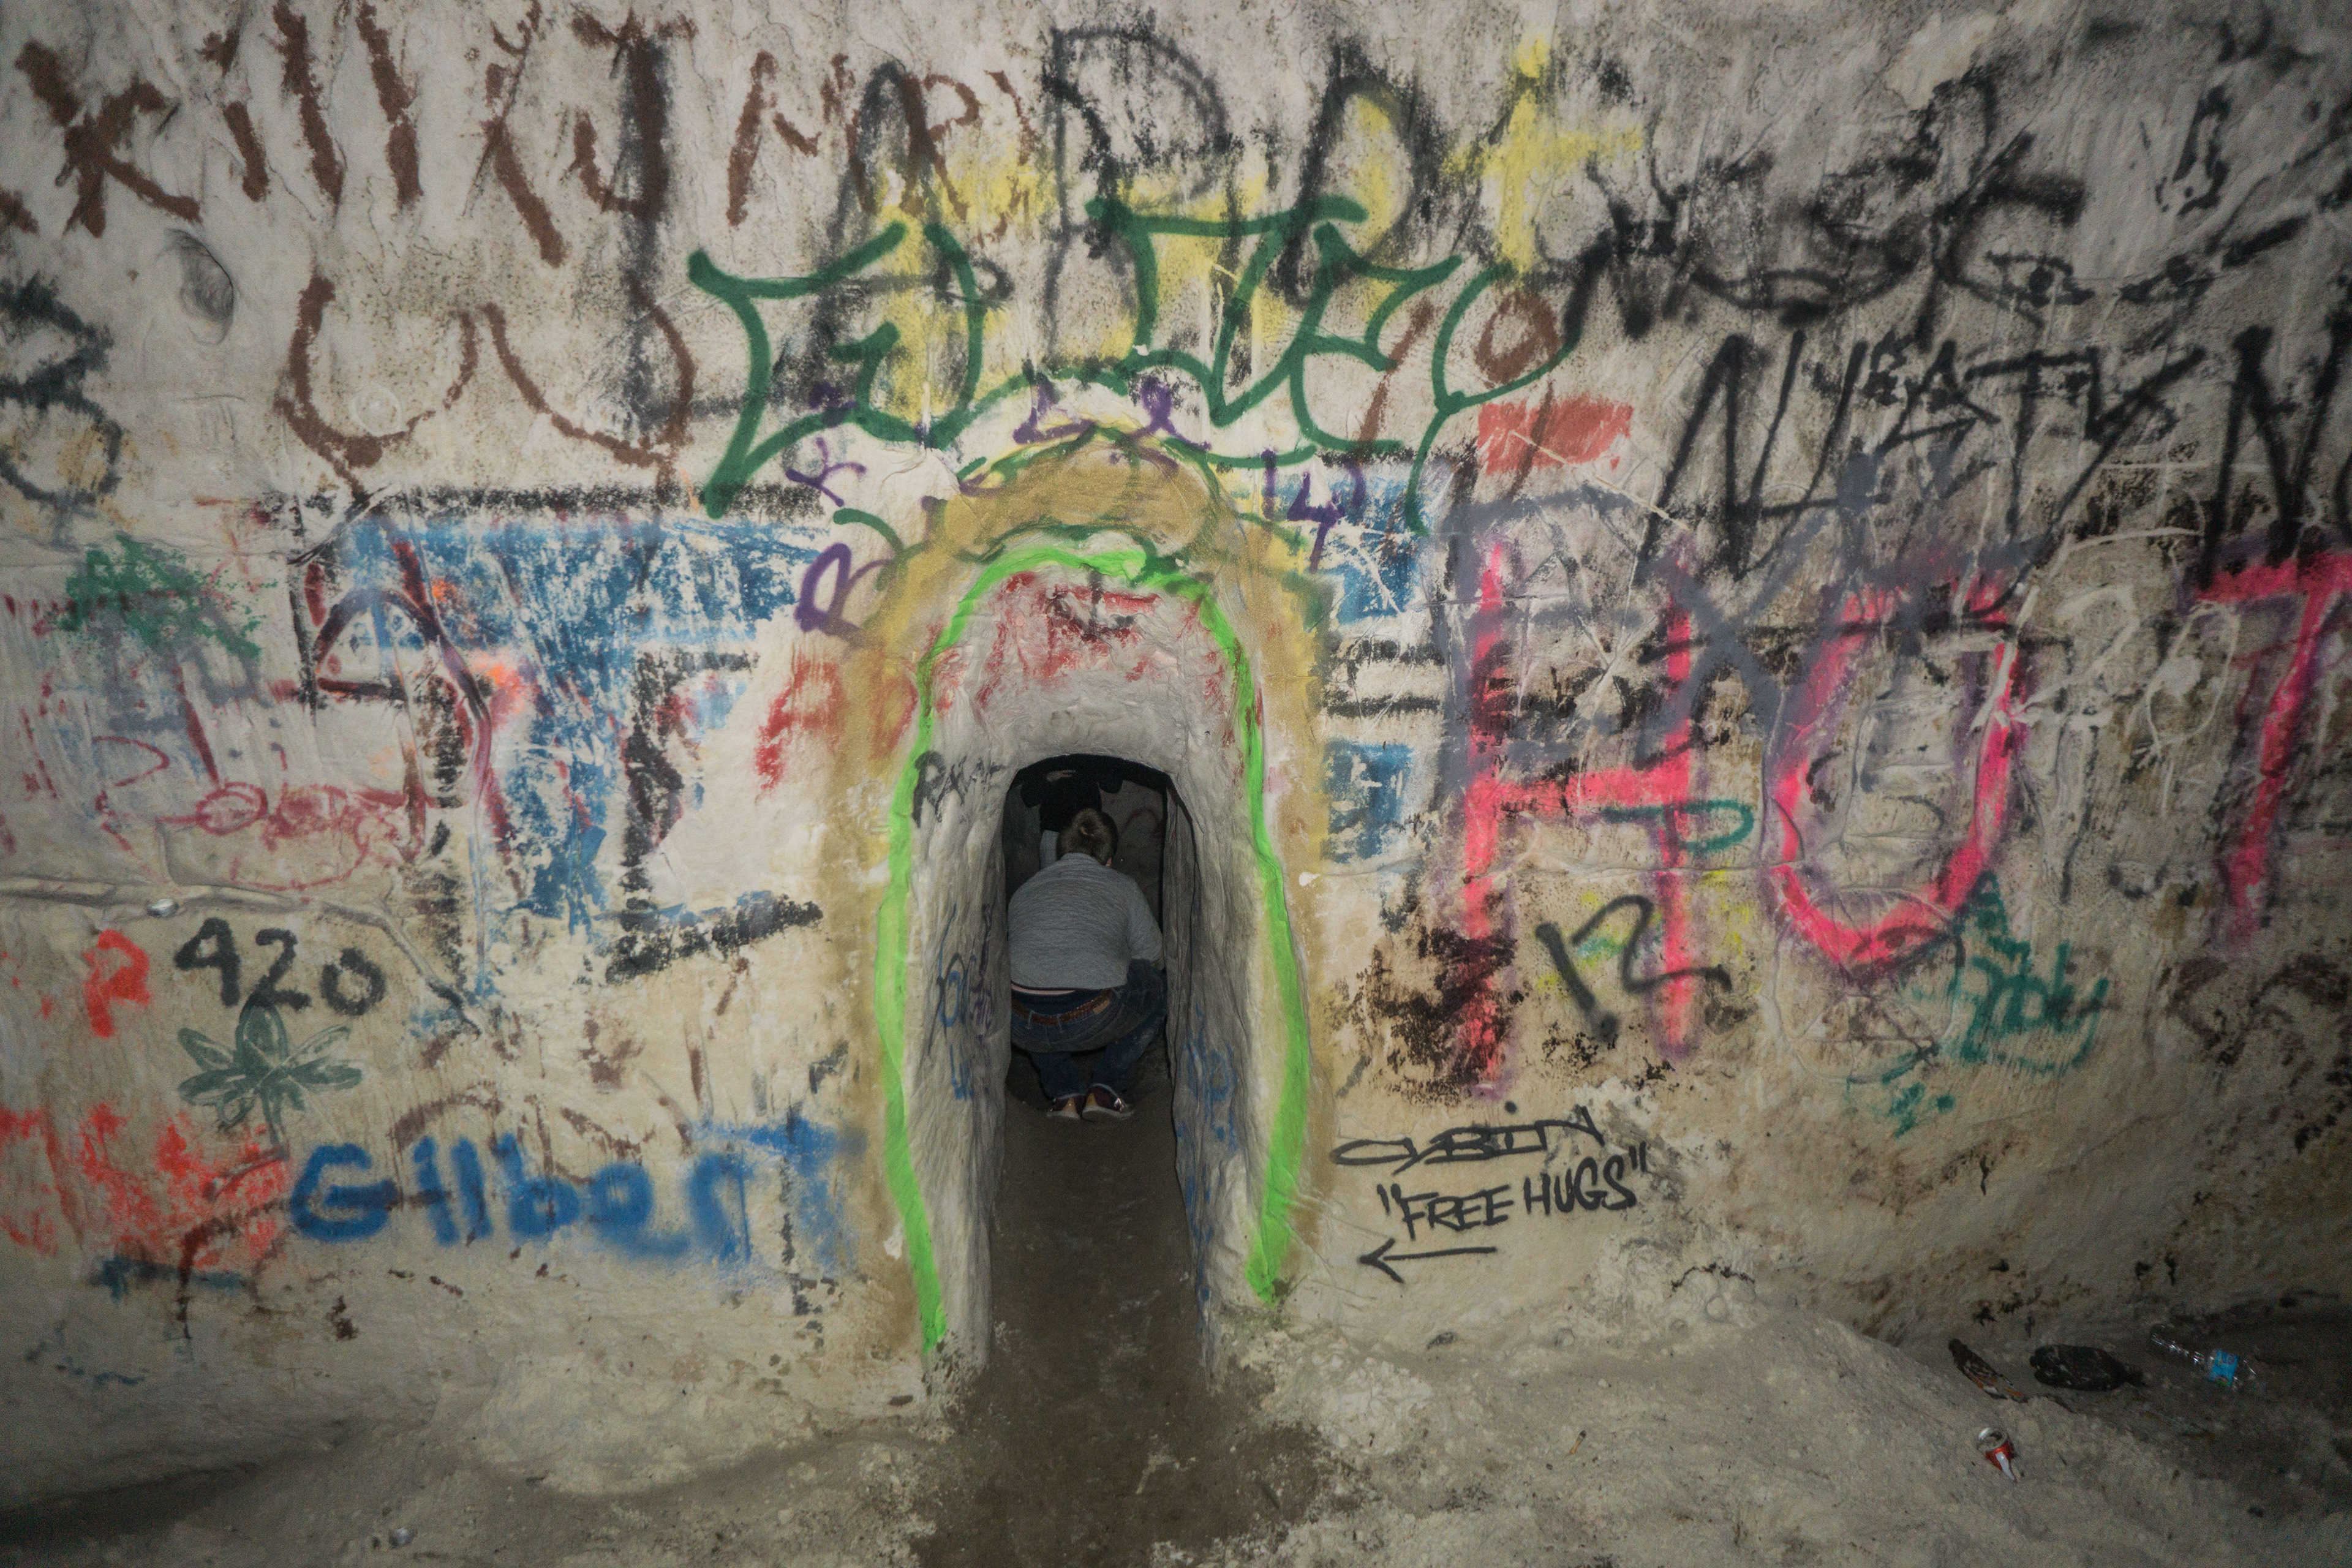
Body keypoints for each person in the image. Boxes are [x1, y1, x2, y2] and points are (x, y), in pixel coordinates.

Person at [1006, 806, 1166, 1122]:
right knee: (1159, 988)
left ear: (1061, 849)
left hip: (1021, 1022)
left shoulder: (1025, 890)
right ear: (1108, 861)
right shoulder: (1123, 886)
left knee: (1035, 984)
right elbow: (1154, 955)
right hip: (1093, 1016)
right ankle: (1106, 1088)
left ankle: (1065, 1093)